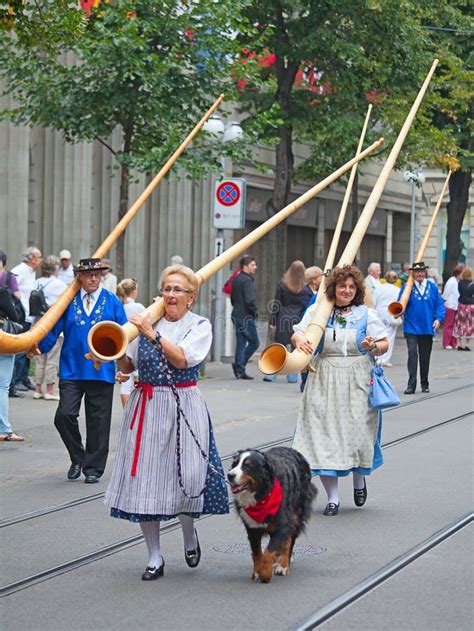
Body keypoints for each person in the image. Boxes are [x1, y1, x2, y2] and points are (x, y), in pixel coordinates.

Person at [104, 264, 229, 580]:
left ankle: (188, 532)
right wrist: (115, 353)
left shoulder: (198, 325)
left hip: (183, 405)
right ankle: (154, 556)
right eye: (167, 289)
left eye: (178, 290)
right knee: (145, 481)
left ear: (191, 297)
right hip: (146, 406)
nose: (171, 295)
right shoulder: (145, 322)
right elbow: (129, 361)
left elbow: (183, 359)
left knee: (186, 476)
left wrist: (152, 333)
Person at [291, 265, 388, 516]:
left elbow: (384, 343)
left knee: (356, 432)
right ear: (333, 287)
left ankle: (358, 478)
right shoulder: (319, 310)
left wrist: (372, 345)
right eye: (342, 286)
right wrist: (300, 342)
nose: (346, 290)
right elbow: (298, 333)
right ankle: (332, 498)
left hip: (357, 376)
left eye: (351, 287)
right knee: (324, 435)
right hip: (324, 377)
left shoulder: (366, 314)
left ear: (356, 290)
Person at [37, 258, 127, 483]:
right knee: (64, 415)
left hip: (102, 370)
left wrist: (127, 365)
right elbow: (52, 328)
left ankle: (93, 469)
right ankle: (78, 456)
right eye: (89, 275)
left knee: (98, 421)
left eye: (97, 274)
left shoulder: (111, 301)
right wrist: (37, 346)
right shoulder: (67, 301)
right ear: (80, 277)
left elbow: (126, 334)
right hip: (71, 369)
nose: (94, 278)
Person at [400, 261, 445, 394]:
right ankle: (411, 385)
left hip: (427, 327)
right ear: (413, 273)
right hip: (411, 327)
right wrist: (398, 311)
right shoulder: (407, 287)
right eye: (417, 272)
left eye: (421, 271)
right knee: (412, 354)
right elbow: (400, 303)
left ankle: (424, 383)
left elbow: (439, 305)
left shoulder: (432, 287)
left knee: (425, 356)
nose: (419, 274)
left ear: (425, 273)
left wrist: (438, 319)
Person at [264, 260, 306, 384]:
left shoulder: (282, 285)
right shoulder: (305, 287)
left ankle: (271, 374)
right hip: (298, 318)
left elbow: (277, 304)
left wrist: (273, 321)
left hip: (283, 317)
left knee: (278, 347)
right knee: (294, 348)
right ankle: (292, 376)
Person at [32, 255, 67, 401]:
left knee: (40, 358)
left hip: (38, 325)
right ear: (55, 268)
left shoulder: (37, 282)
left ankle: (38, 389)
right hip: (53, 326)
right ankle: (50, 390)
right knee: (52, 358)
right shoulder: (59, 284)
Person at [11, 246, 43, 393]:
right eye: (39, 257)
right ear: (32, 259)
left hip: (30, 315)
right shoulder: (21, 270)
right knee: (20, 348)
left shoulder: (31, 272)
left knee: (28, 347)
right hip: (22, 314)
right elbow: (10, 284)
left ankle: (24, 378)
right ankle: (17, 379)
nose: (41, 260)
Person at [0, 251, 24, 441]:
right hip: (3, 342)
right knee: (2, 386)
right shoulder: (3, 292)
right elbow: (15, 317)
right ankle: (4, 429)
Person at [116, 278, 145, 407]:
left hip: (123, 342)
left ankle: (126, 411)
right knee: (137, 377)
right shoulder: (138, 307)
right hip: (136, 342)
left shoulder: (120, 307)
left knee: (125, 380)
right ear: (133, 291)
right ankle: (136, 411)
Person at [230, 255, 259, 380]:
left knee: (241, 343)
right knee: (254, 342)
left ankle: (239, 369)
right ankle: (239, 366)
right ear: (245, 267)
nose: (255, 267)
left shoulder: (236, 278)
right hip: (246, 316)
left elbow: (232, 298)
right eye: (252, 265)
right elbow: (249, 300)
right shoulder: (247, 280)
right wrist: (255, 312)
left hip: (237, 314)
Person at [374, 270, 402, 366]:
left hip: (379, 312)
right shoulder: (397, 290)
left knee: (378, 335)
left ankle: (377, 357)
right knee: (389, 337)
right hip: (390, 312)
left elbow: (374, 300)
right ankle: (385, 359)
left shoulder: (378, 288)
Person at [442, 265, 462, 349]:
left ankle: (453, 342)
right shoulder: (451, 281)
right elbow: (446, 293)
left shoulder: (457, 281)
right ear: (458, 273)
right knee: (449, 325)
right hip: (450, 305)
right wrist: (444, 302)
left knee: (455, 326)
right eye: (461, 273)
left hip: (455, 305)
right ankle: (446, 343)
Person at [453, 267, 473, 351]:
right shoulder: (472, 284)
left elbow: (459, 292)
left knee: (460, 323)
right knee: (469, 324)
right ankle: (467, 344)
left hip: (461, 304)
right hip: (470, 305)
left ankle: (459, 344)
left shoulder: (459, 283)